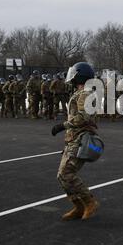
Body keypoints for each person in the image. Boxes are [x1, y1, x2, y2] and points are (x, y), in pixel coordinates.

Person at [52, 62, 100, 221]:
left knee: (67, 173)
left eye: (74, 73)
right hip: (73, 139)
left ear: (80, 75)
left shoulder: (85, 94)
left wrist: (62, 125)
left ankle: (89, 202)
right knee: (62, 175)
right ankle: (78, 206)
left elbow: (83, 117)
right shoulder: (81, 92)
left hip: (80, 139)